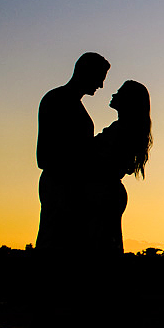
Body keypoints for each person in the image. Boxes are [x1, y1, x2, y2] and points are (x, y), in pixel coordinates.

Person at [36, 53, 110, 255]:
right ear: (85, 72)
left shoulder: (68, 103)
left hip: (71, 190)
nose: (102, 85)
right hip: (61, 189)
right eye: (100, 77)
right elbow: (44, 156)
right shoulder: (57, 100)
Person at [89, 80, 151, 255]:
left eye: (119, 92)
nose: (113, 95)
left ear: (128, 101)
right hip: (108, 192)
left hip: (105, 194)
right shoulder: (123, 129)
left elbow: (103, 161)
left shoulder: (123, 131)